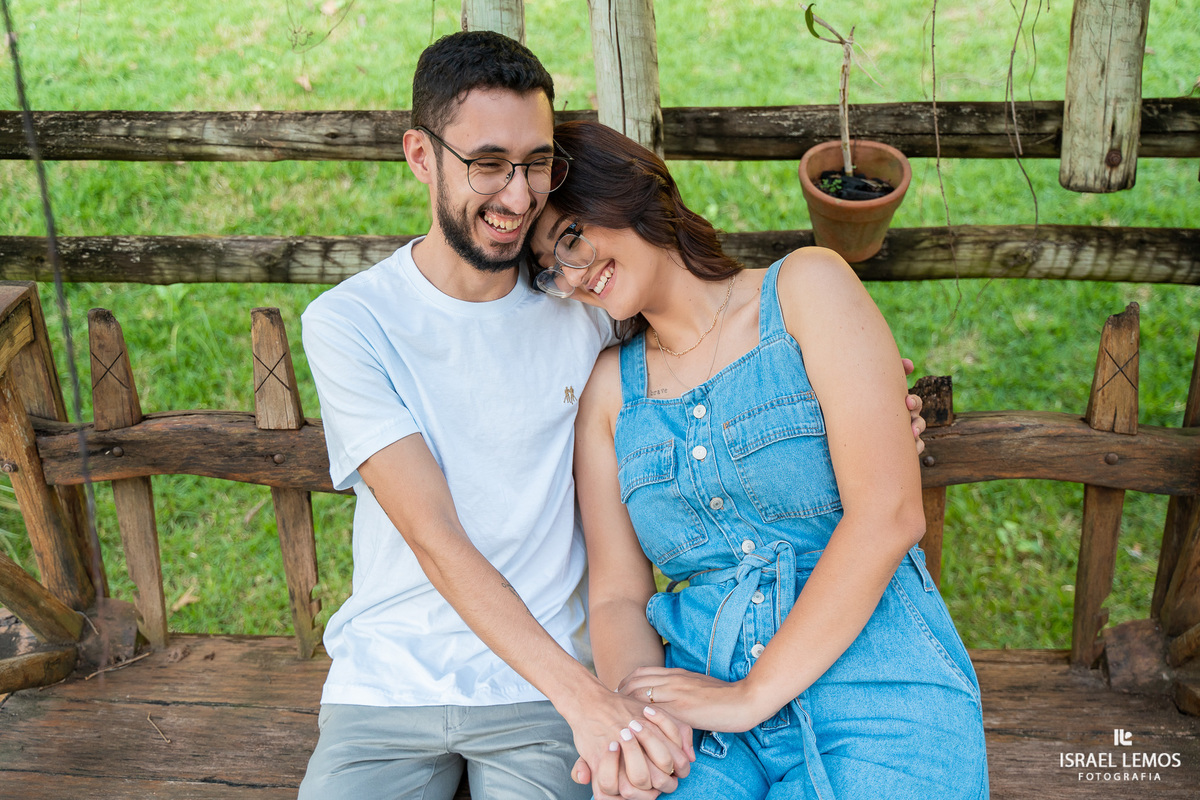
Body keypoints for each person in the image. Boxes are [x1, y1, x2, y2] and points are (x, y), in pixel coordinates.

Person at [298, 30, 927, 800]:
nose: (519, 195)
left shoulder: (586, 311)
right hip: (392, 683)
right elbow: (436, 538)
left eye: (535, 165)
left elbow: (719, 344)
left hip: (543, 696)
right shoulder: (351, 321)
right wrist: (598, 699)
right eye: (488, 164)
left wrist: (860, 400)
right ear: (422, 157)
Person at [528, 120, 988, 799]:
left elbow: (889, 513)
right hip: (700, 707)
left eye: (571, 236)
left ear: (627, 190)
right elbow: (620, 594)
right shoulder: (608, 393)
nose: (572, 272)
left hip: (874, 680)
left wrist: (752, 694)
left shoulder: (805, 288)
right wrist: (639, 716)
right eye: (551, 266)